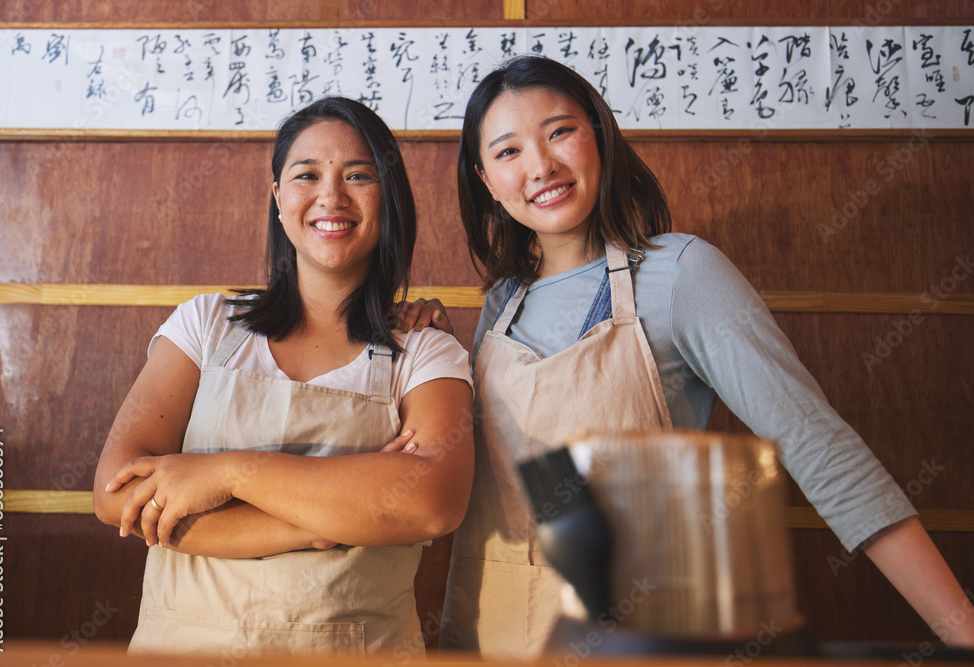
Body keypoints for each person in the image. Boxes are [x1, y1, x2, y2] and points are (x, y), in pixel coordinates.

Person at [394, 56, 974, 658]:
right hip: (491, 638)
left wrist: (962, 630)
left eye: (560, 131)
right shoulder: (501, 304)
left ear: (599, 134)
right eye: (508, 151)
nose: (541, 166)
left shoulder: (681, 274)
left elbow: (819, 449)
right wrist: (423, 348)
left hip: (646, 640)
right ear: (487, 180)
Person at [93, 97, 475, 658]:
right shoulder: (206, 323)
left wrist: (228, 474)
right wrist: (321, 525)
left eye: (359, 176)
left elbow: (431, 502)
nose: (331, 197)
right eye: (307, 175)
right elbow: (119, 494)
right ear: (278, 198)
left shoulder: (424, 349)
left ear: (388, 199)